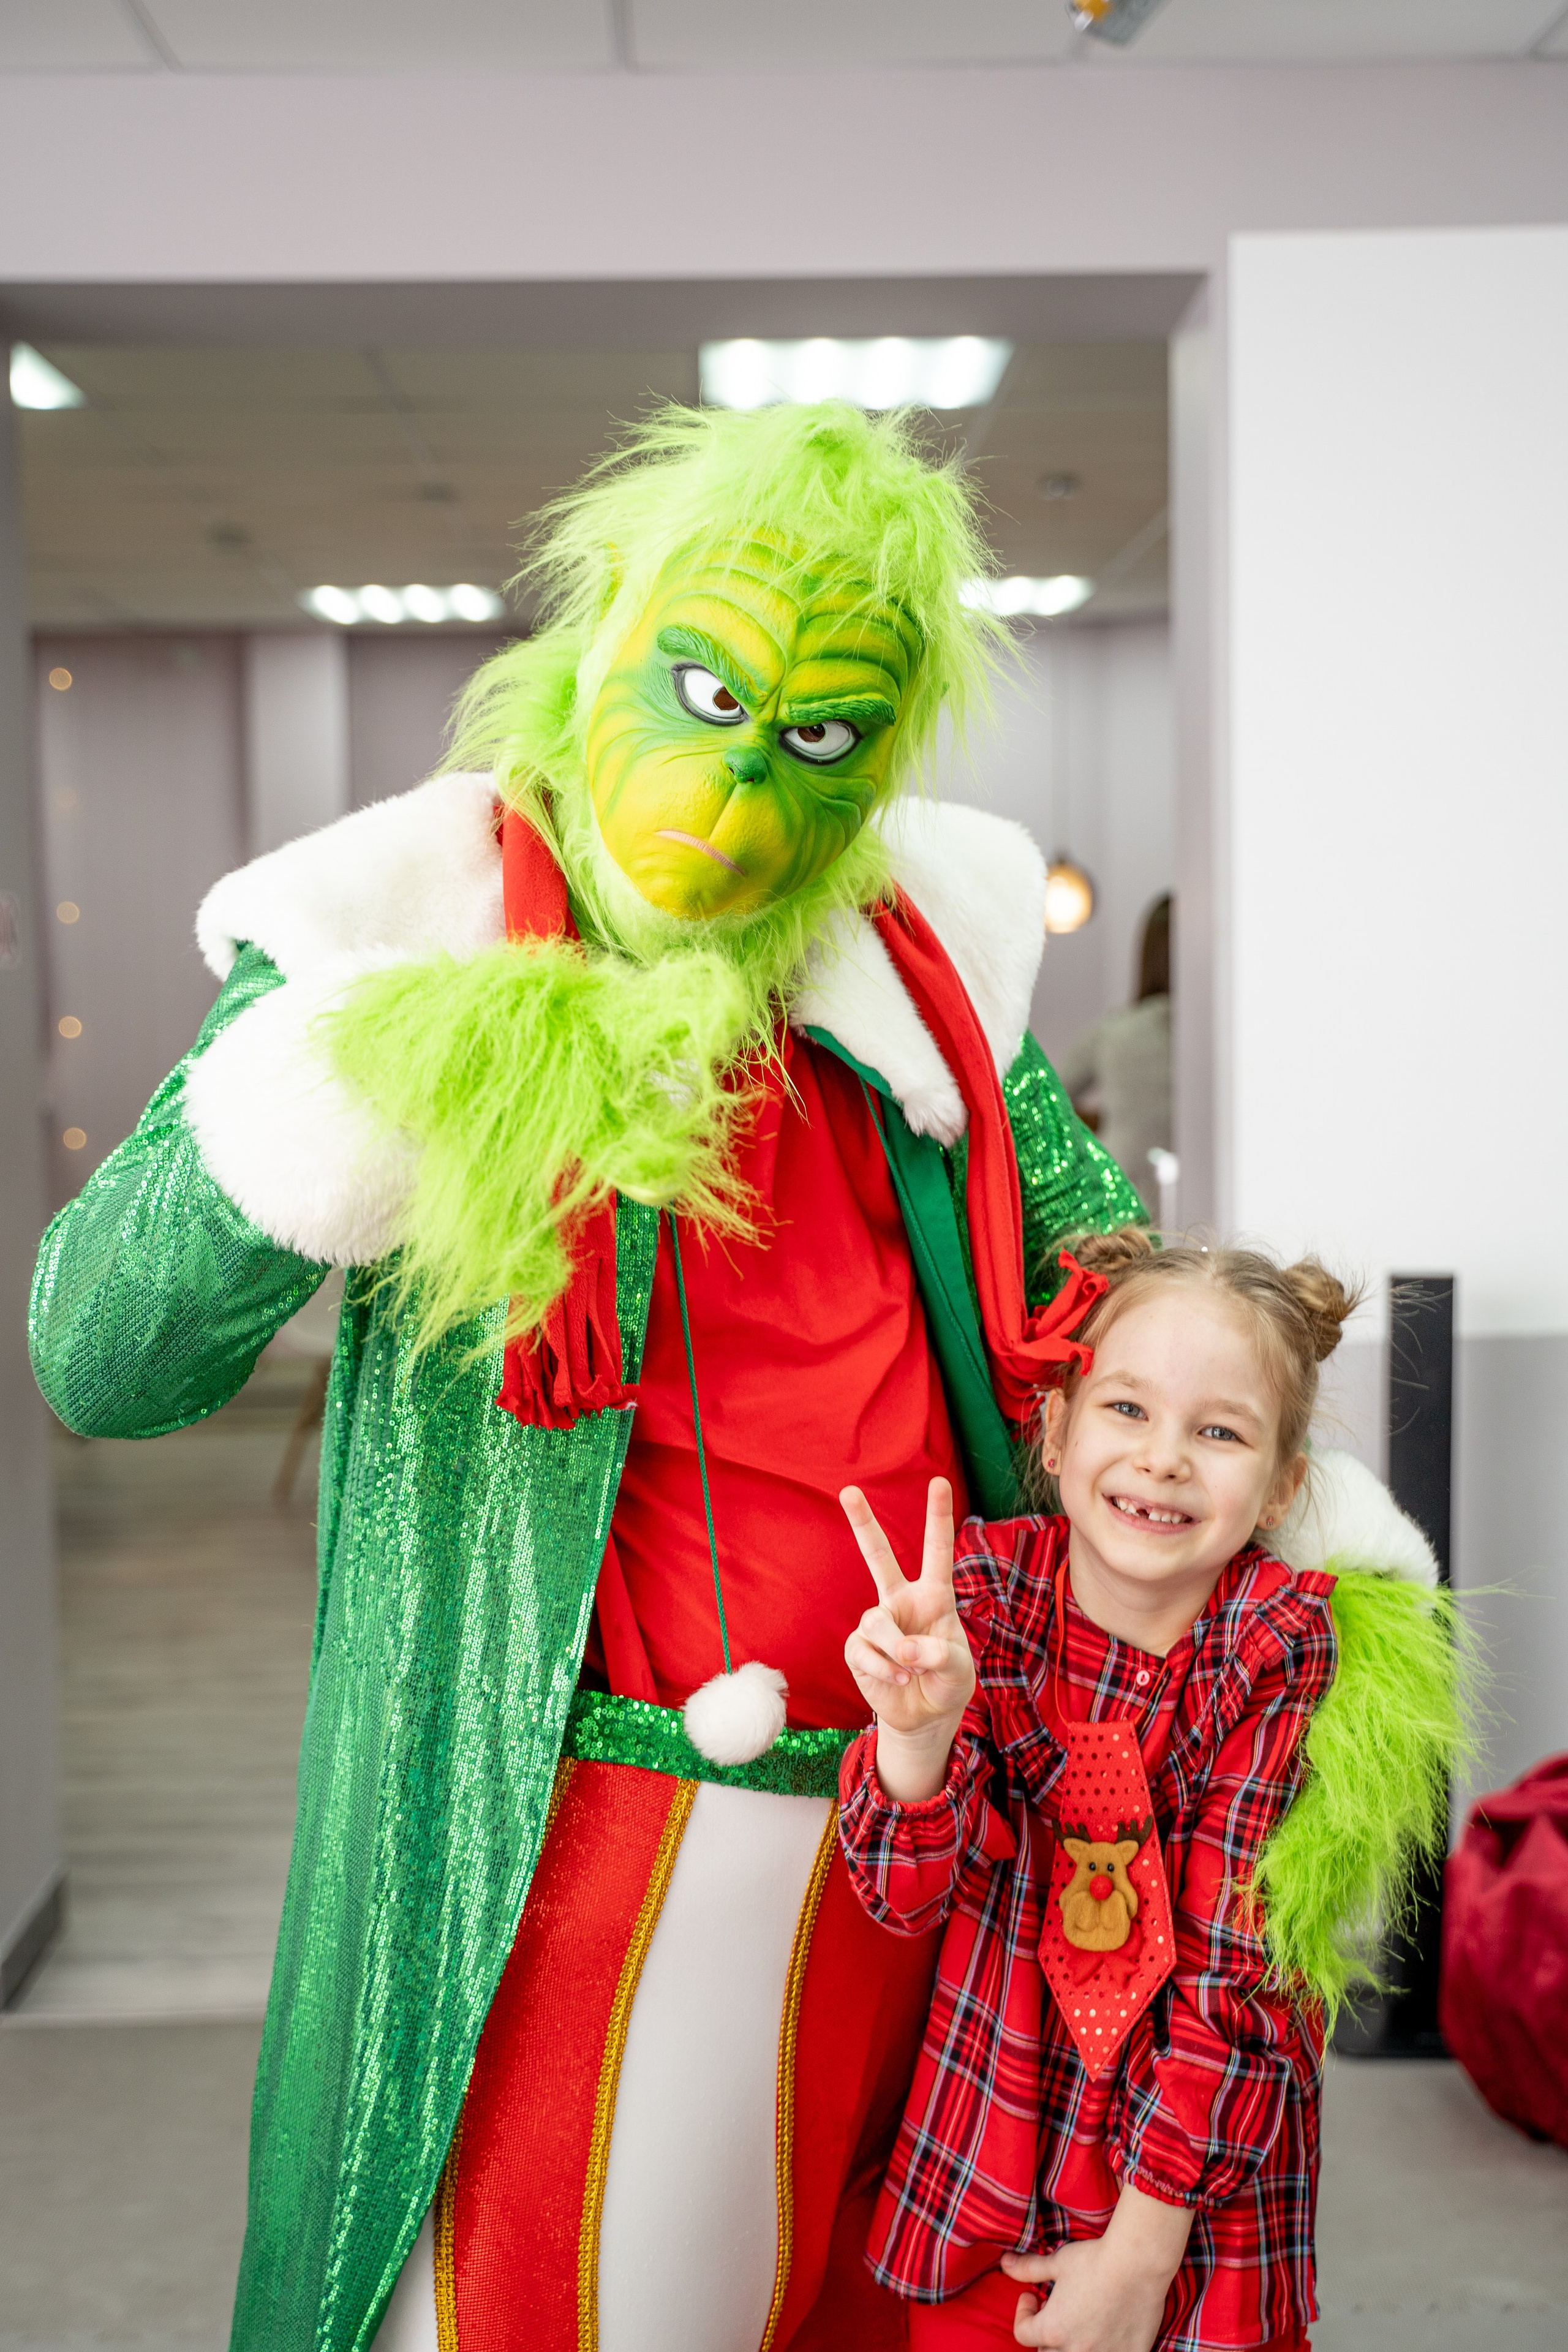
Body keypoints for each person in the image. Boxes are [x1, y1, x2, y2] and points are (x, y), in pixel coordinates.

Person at [29, 402, 1152, 2352]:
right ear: (602, 637)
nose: (727, 789)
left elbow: (1107, 1298)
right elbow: (99, 1355)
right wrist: (336, 1099)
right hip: (551, 1838)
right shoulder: (407, 944)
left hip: (905, 1815)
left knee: (860, 2290)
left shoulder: (930, 999)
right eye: (699, 689)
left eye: (811, 736)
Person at [837, 1227, 1465, 2352]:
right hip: (985, 2172)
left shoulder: (1277, 1648)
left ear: (1280, 1485)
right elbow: (901, 1894)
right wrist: (917, 1735)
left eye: (1218, 1432)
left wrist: (1142, 2253)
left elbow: (1249, 1974)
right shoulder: (983, 1600)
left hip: (1194, 2230)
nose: (1165, 1457)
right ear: (1058, 1425)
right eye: (1127, 1410)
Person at [1060, 896, 1171, 1216]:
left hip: (1120, 1189)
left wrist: (1101, 1120)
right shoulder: (1211, 1037)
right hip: (1201, 1189)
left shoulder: (1114, 1031)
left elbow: (1053, 1091)